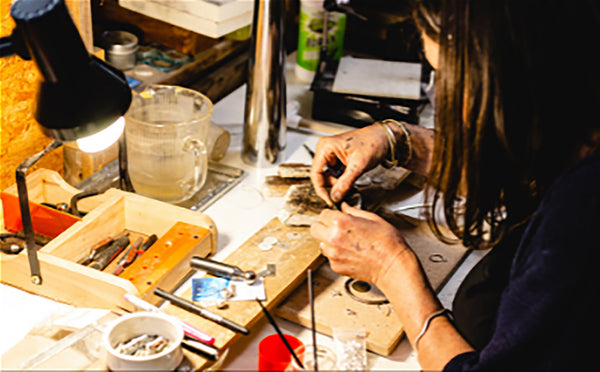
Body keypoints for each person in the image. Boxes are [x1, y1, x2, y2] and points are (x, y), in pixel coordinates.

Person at [309, 0, 600, 370]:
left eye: (447, 78)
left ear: (508, 80)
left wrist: (390, 268)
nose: (439, 95)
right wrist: (402, 141)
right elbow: (540, 171)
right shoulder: (578, 116)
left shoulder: (579, 218)